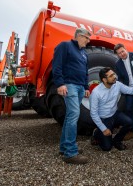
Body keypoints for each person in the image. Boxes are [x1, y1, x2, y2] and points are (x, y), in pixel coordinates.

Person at [52, 28, 91, 165]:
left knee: (70, 116)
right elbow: (56, 66)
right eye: (86, 38)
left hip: (80, 88)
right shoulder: (65, 46)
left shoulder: (84, 53)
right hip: (69, 86)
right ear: (79, 36)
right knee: (74, 115)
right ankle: (70, 153)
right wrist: (60, 84)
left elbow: (85, 72)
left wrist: (86, 87)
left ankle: (64, 147)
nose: (88, 41)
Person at [89, 67, 133, 151]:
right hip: (104, 118)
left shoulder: (117, 84)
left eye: (113, 74)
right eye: (111, 76)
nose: (114, 77)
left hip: (115, 114)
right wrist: (103, 129)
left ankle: (117, 141)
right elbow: (93, 113)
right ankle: (96, 133)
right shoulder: (96, 93)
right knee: (107, 148)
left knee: (130, 122)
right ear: (104, 80)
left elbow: (132, 91)